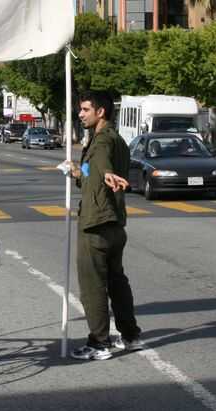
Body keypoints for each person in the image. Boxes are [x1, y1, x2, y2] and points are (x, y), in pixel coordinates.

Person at [67, 91, 144, 361]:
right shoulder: (117, 139)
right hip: (114, 222)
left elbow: (102, 164)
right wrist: (79, 173)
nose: (80, 114)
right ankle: (130, 335)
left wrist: (107, 173)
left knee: (93, 286)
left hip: (96, 224)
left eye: (85, 109)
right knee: (116, 281)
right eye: (80, 109)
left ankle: (99, 342)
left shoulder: (101, 141)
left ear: (101, 112)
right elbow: (95, 175)